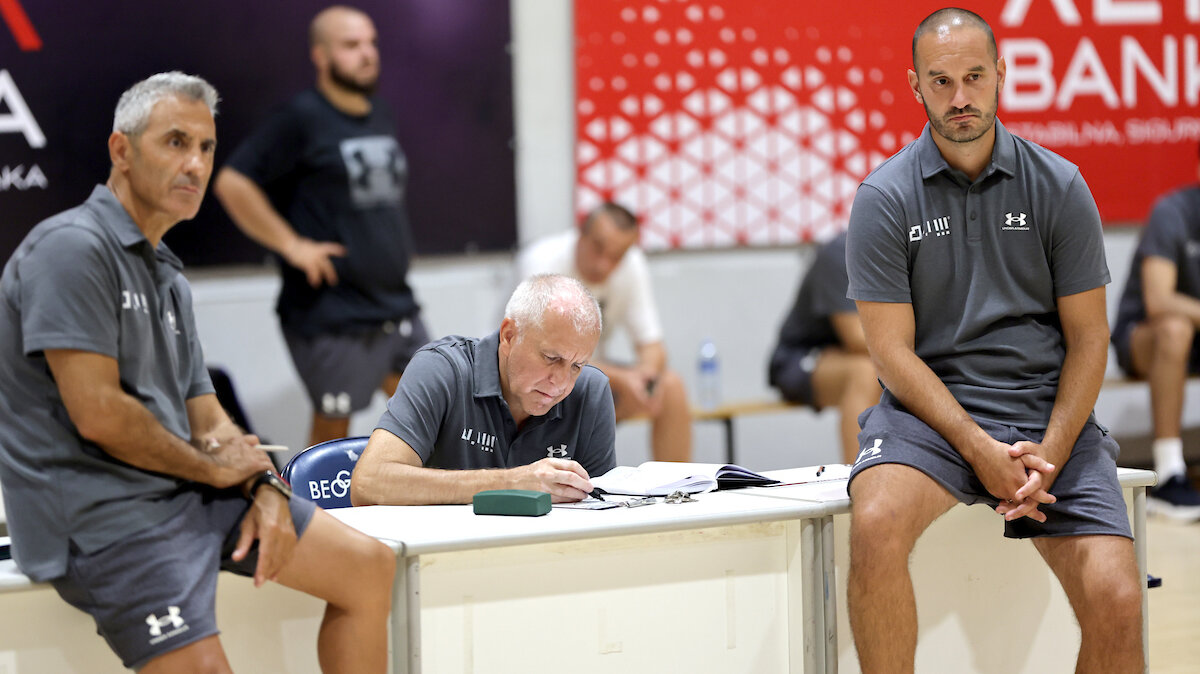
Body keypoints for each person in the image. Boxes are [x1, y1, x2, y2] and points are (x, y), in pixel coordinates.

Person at [0, 72, 394, 672]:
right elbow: (100, 414)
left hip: (180, 492)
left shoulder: (167, 276)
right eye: (175, 142)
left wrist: (261, 485)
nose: (196, 164)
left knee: (369, 568)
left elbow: (207, 417)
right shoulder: (71, 249)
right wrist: (216, 470)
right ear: (121, 151)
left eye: (207, 148)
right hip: (101, 516)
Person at [844, 9, 1142, 672]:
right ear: (915, 87)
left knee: (1118, 599)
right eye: (941, 80)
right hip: (930, 414)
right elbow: (892, 355)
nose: (960, 97)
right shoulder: (883, 197)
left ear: (1002, 74)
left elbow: (1091, 338)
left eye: (974, 76)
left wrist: (1052, 456)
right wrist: (978, 448)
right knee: (875, 524)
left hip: (1046, 411)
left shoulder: (1059, 185)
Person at [214, 5, 428, 447]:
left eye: (371, 43)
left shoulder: (380, 114)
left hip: (395, 304)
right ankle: (313, 514)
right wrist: (292, 246)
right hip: (332, 312)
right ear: (321, 56)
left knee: (432, 414)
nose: (367, 54)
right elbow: (233, 182)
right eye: (351, 45)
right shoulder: (299, 119)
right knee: (332, 438)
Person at [351, 274, 617, 505]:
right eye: (551, 358)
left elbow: (605, 510)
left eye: (576, 366)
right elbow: (368, 483)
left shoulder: (590, 392)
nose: (561, 383)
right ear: (509, 335)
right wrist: (511, 482)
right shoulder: (442, 369)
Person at [516, 203, 692, 462]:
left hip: (586, 377)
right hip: (532, 377)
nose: (604, 264)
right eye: (598, 248)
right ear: (581, 232)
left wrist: (645, 377)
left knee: (670, 387)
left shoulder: (632, 266)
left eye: (616, 256)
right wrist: (622, 379)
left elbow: (652, 346)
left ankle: (678, 490)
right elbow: (540, 357)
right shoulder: (542, 262)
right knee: (569, 378)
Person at [1112, 150, 1200, 521]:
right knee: (1175, 329)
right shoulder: (1173, 212)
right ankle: (1168, 474)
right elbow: (1158, 300)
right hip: (1144, 338)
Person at [769, 231, 881, 464]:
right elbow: (855, 338)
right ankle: (859, 478)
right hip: (801, 356)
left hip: (853, 354)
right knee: (865, 371)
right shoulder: (840, 252)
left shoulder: (910, 252)